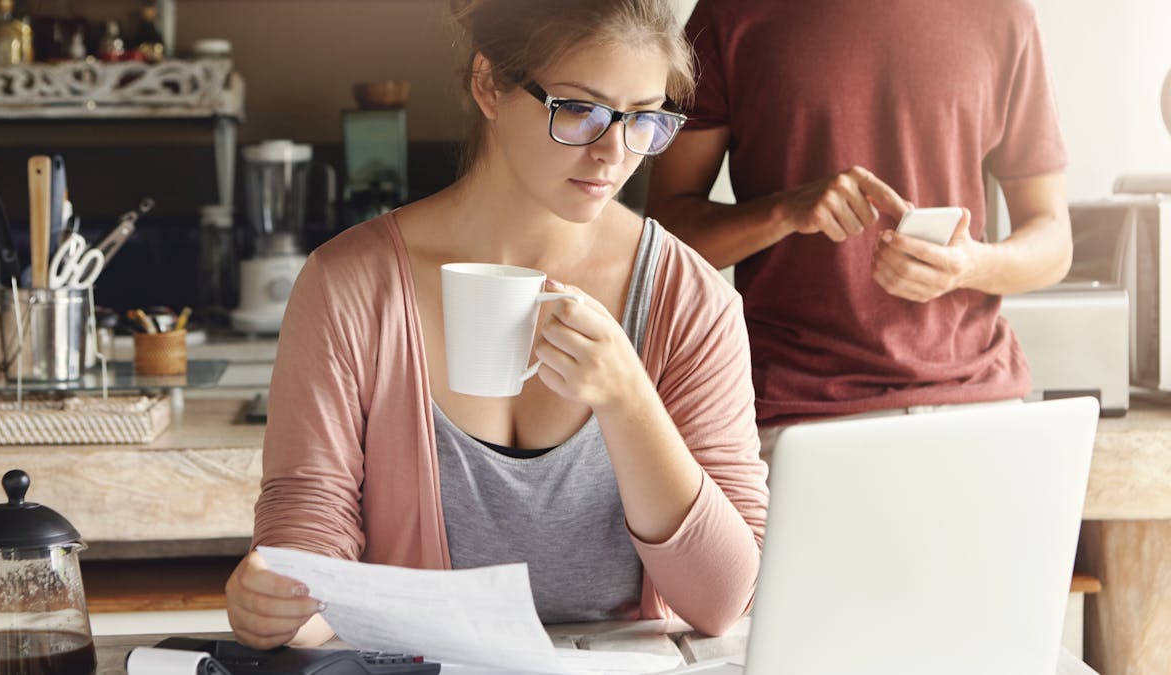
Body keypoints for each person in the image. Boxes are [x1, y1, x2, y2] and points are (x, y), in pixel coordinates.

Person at [225, 0, 769, 650]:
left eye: (642, 119)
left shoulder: (691, 300)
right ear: (489, 85)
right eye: (578, 109)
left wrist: (628, 401)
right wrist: (281, 603)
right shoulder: (348, 285)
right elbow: (309, 534)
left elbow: (723, 600)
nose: (612, 154)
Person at [646, 0, 1073, 442]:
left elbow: (1054, 240)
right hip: (796, 411)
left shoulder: (1004, 13)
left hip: (979, 402)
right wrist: (785, 211)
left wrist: (971, 265)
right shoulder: (730, 13)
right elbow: (666, 233)